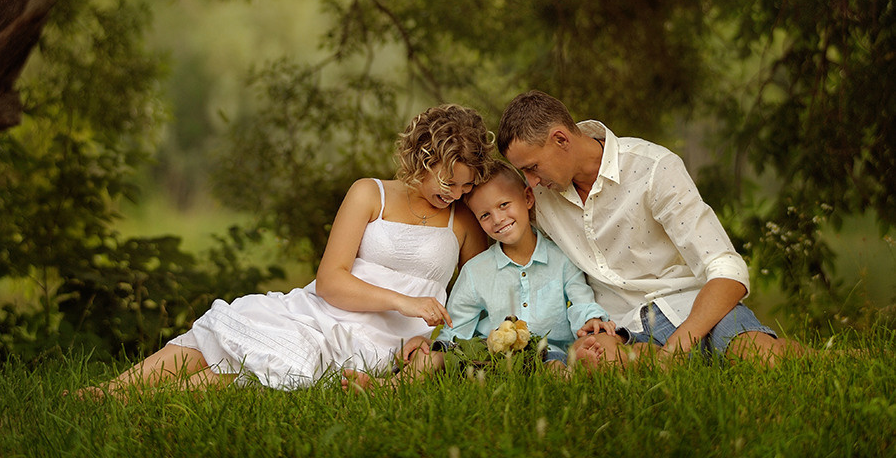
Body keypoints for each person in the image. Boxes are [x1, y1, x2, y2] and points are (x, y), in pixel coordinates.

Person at [78, 104, 493, 396]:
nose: (456, 194)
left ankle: (148, 401)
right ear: (422, 159)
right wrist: (405, 302)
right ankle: (108, 393)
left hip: (389, 342)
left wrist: (433, 338)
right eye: (446, 182)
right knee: (229, 333)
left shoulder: (465, 221)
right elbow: (331, 282)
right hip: (326, 309)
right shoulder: (371, 193)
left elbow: (477, 301)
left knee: (269, 369)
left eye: (466, 185)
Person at [496, 90, 809, 368]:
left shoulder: (653, 168)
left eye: (532, 167)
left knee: (758, 358)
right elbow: (478, 196)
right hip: (622, 327)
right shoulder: (537, 196)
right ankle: (675, 361)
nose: (531, 181)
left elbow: (727, 270)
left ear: (561, 139)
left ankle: (824, 356)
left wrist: (675, 349)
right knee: (595, 364)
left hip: (694, 309)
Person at [343, 161, 620, 388]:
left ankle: (573, 374)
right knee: (438, 355)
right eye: (485, 215)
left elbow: (580, 297)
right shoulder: (476, 271)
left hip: (549, 350)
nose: (498, 219)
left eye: (503, 205)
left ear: (526, 198)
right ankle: (391, 386)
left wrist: (590, 318)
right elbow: (457, 327)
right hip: (492, 354)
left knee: (554, 363)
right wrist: (434, 344)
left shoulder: (561, 258)